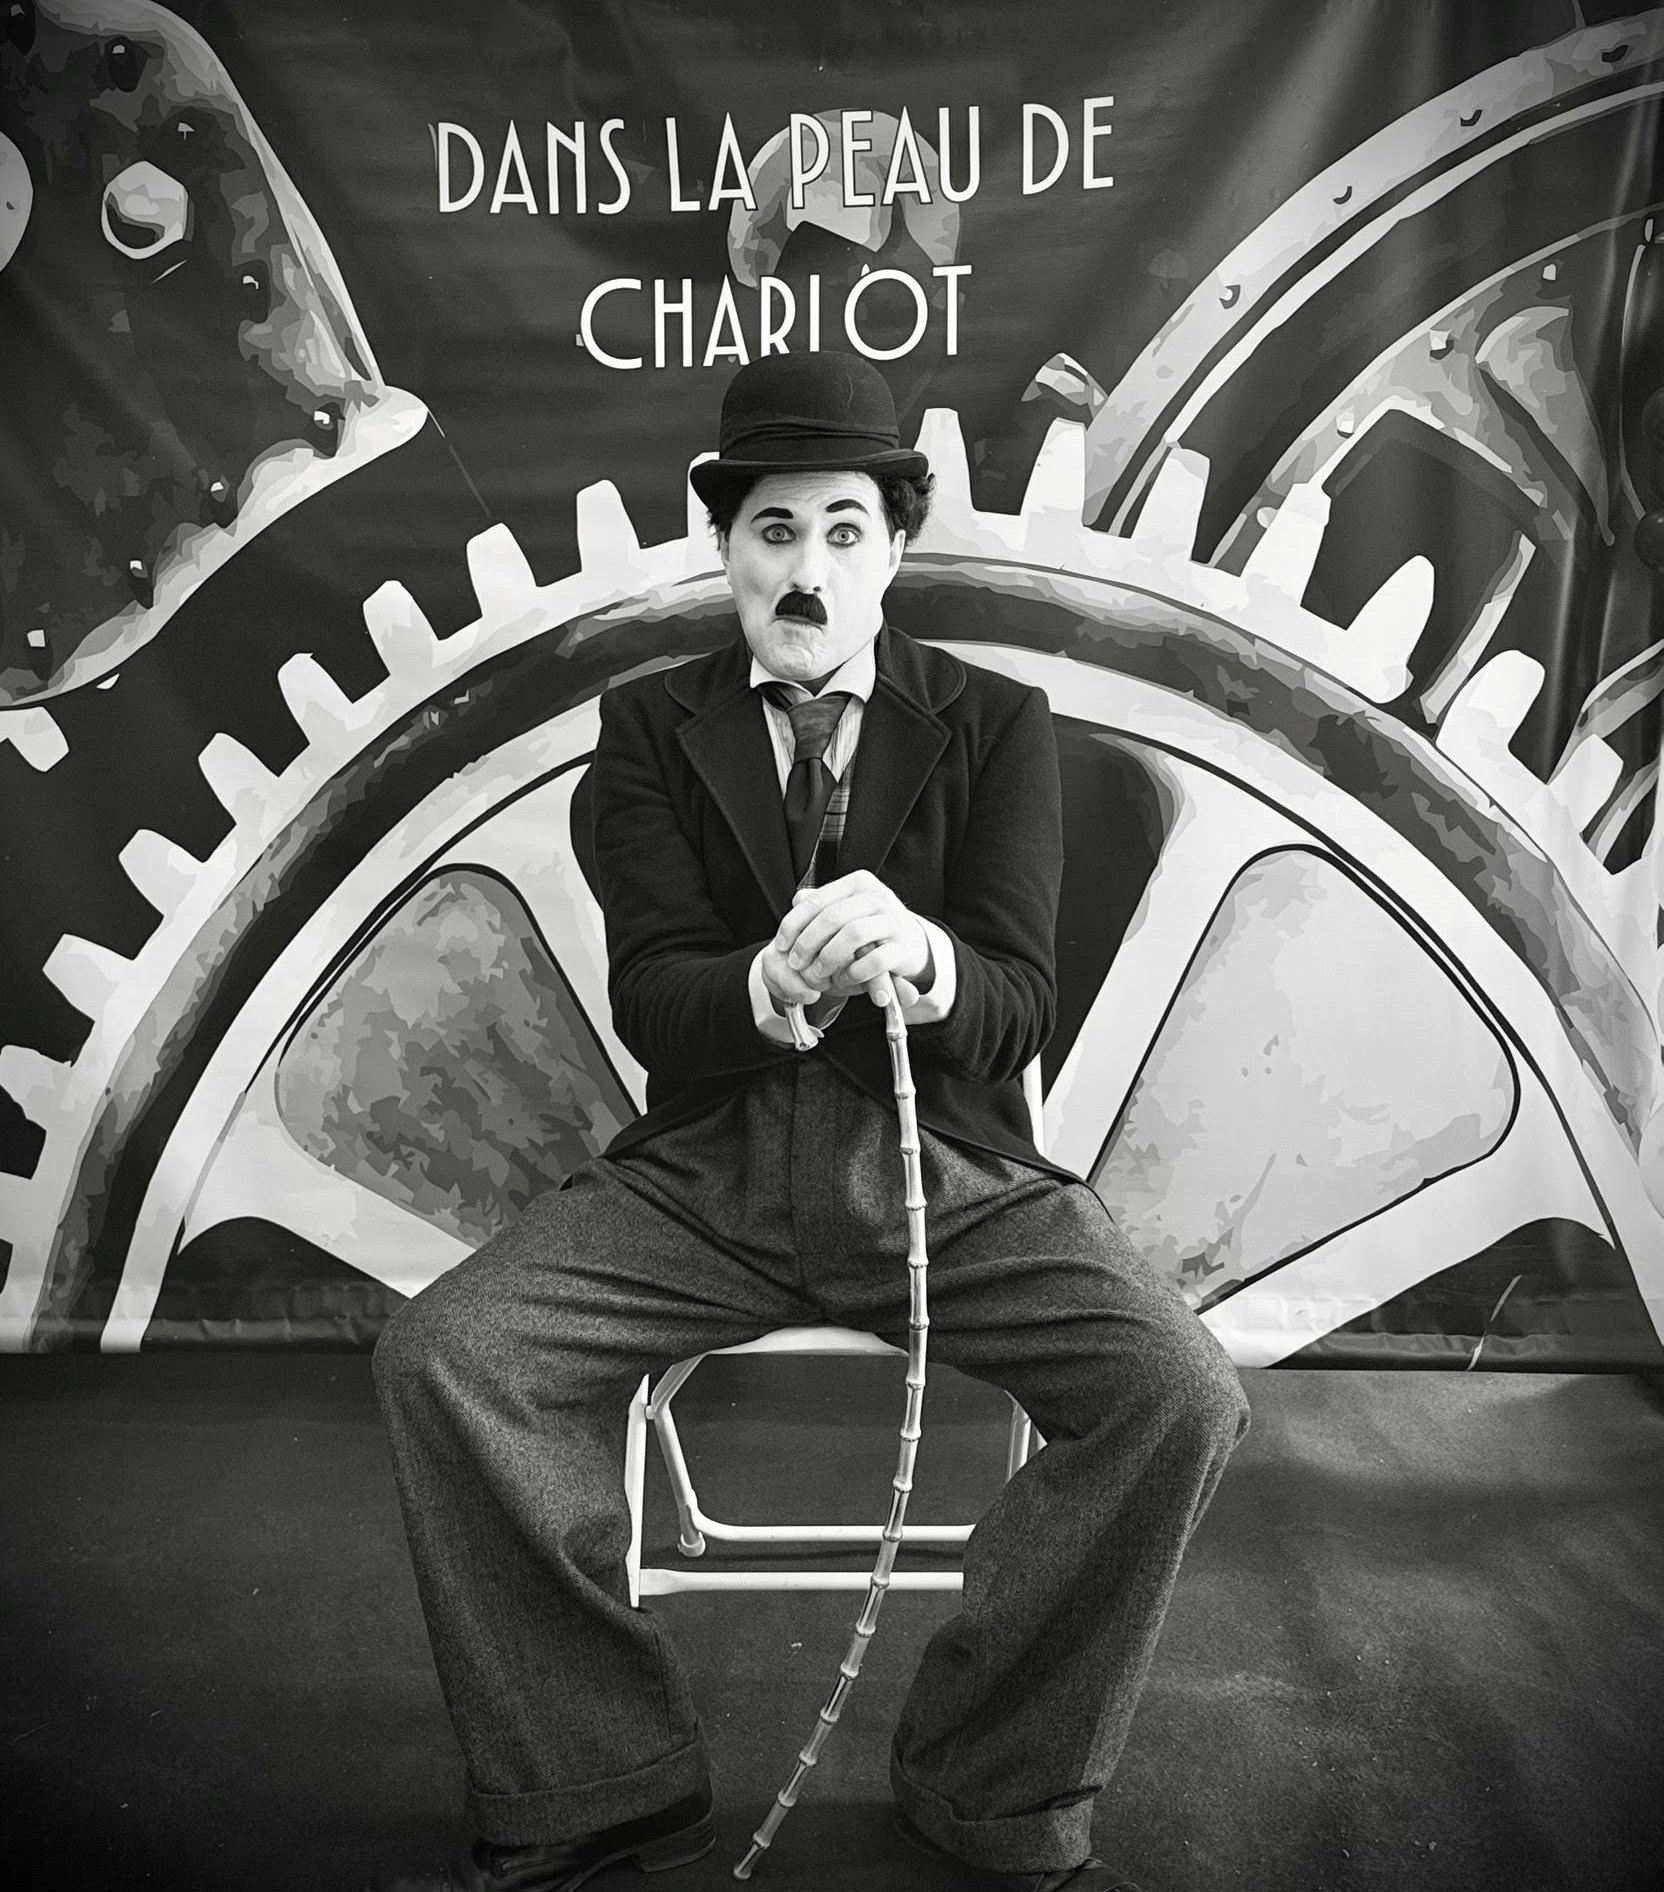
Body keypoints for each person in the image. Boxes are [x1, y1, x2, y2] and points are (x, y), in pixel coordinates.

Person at [370, 351, 1249, 1892]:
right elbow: (655, 996)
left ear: (894, 547)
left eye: (845, 531)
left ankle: (993, 1785)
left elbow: (1018, 1005)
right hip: (702, 1184)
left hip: (950, 1181)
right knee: (450, 1359)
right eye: (774, 530)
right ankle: (598, 1779)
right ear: (723, 544)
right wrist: (761, 988)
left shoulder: (996, 721)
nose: (808, 570)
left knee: (1178, 1394)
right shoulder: (650, 727)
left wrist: (929, 962)